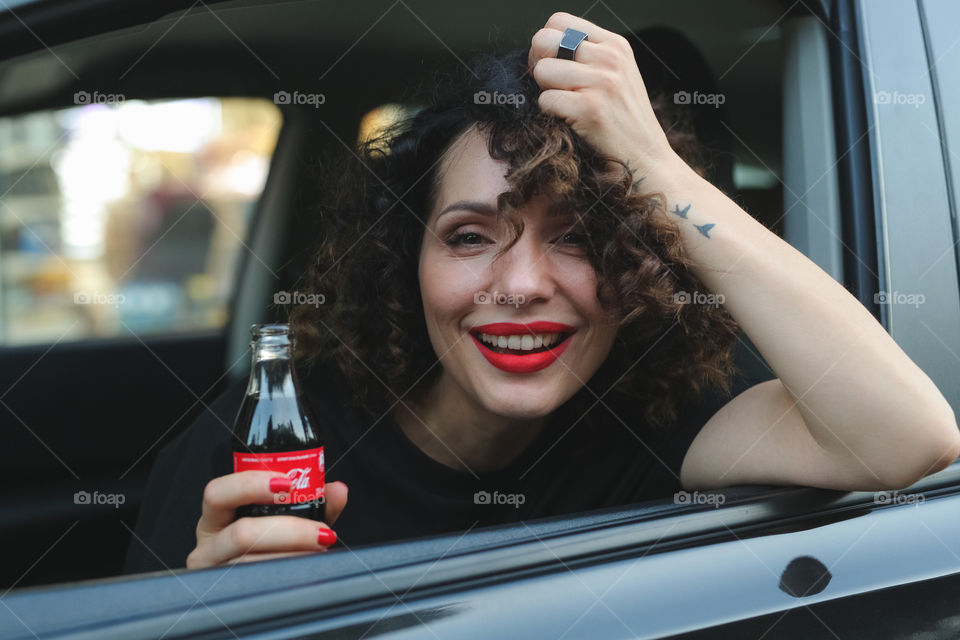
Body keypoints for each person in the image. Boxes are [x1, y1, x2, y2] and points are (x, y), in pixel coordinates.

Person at [124, 13, 959, 573]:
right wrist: (214, 602)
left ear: (636, 263)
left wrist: (656, 168)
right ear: (402, 260)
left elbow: (906, 437)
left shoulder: (656, 414)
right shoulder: (280, 432)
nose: (522, 285)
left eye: (578, 236)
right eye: (468, 236)